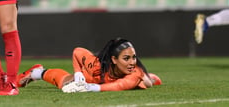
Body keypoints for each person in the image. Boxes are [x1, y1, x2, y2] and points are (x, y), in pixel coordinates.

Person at [17, 38, 162, 92]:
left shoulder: (134, 74)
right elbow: (77, 52)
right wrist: (79, 74)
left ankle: (150, 77)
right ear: (114, 59)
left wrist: (90, 88)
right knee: (64, 83)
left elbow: (118, 86)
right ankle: (36, 72)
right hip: (88, 77)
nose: (132, 62)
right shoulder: (97, 65)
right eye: (126, 58)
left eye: (134, 58)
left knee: (147, 83)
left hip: (97, 83)